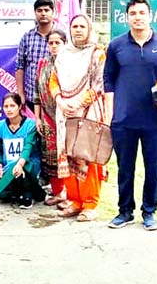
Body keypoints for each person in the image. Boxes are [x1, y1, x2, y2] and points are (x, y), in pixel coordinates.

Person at [104, 0, 157, 231]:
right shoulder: (116, 45)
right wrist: (111, 112)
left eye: (142, 12)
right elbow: (108, 79)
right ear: (127, 17)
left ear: (150, 16)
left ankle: (150, 211)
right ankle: (124, 211)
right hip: (123, 119)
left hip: (154, 120)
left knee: (154, 168)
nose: (137, 17)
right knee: (125, 167)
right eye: (132, 13)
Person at [50, 14, 107, 222]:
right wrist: (60, 101)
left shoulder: (97, 54)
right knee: (68, 154)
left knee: (87, 156)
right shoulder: (63, 54)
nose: (78, 30)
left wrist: (79, 103)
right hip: (64, 111)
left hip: (88, 111)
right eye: (75, 26)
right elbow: (53, 80)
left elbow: (99, 84)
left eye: (83, 26)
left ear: (89, 29)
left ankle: (90, 204)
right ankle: (74, 201)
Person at [0, 93, 45, 208]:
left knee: (21, 169)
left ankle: (27, 195)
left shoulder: (30, 125)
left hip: (28, 164)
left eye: (12, 106)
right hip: (9, 166)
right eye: (6, 106)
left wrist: (20, 163)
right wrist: (0, 167)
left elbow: (28, 147)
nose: (9, 109)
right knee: (1, 194)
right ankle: (36, 192)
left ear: (20, 106)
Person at [34, 29, 67, 206]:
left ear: (64, 44)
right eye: (51, 43)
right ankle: (57, 193)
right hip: (47, 117)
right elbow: (37, 93)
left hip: (67, 117)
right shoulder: (42, 65)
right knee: (50, 157)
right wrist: (38, 118)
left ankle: (71, 195)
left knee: (68, 156)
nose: (54, 46)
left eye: (57, 43)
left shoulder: (70, 63)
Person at [16, 0, 58, 112]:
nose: (43, 13)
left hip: (56, 98)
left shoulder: (61, 36)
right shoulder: (27, 37)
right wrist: (20, 93)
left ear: (52, 12)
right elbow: (20, 66)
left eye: (46, 10)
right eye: (39, 10)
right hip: (31, 98)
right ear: (35, 13)